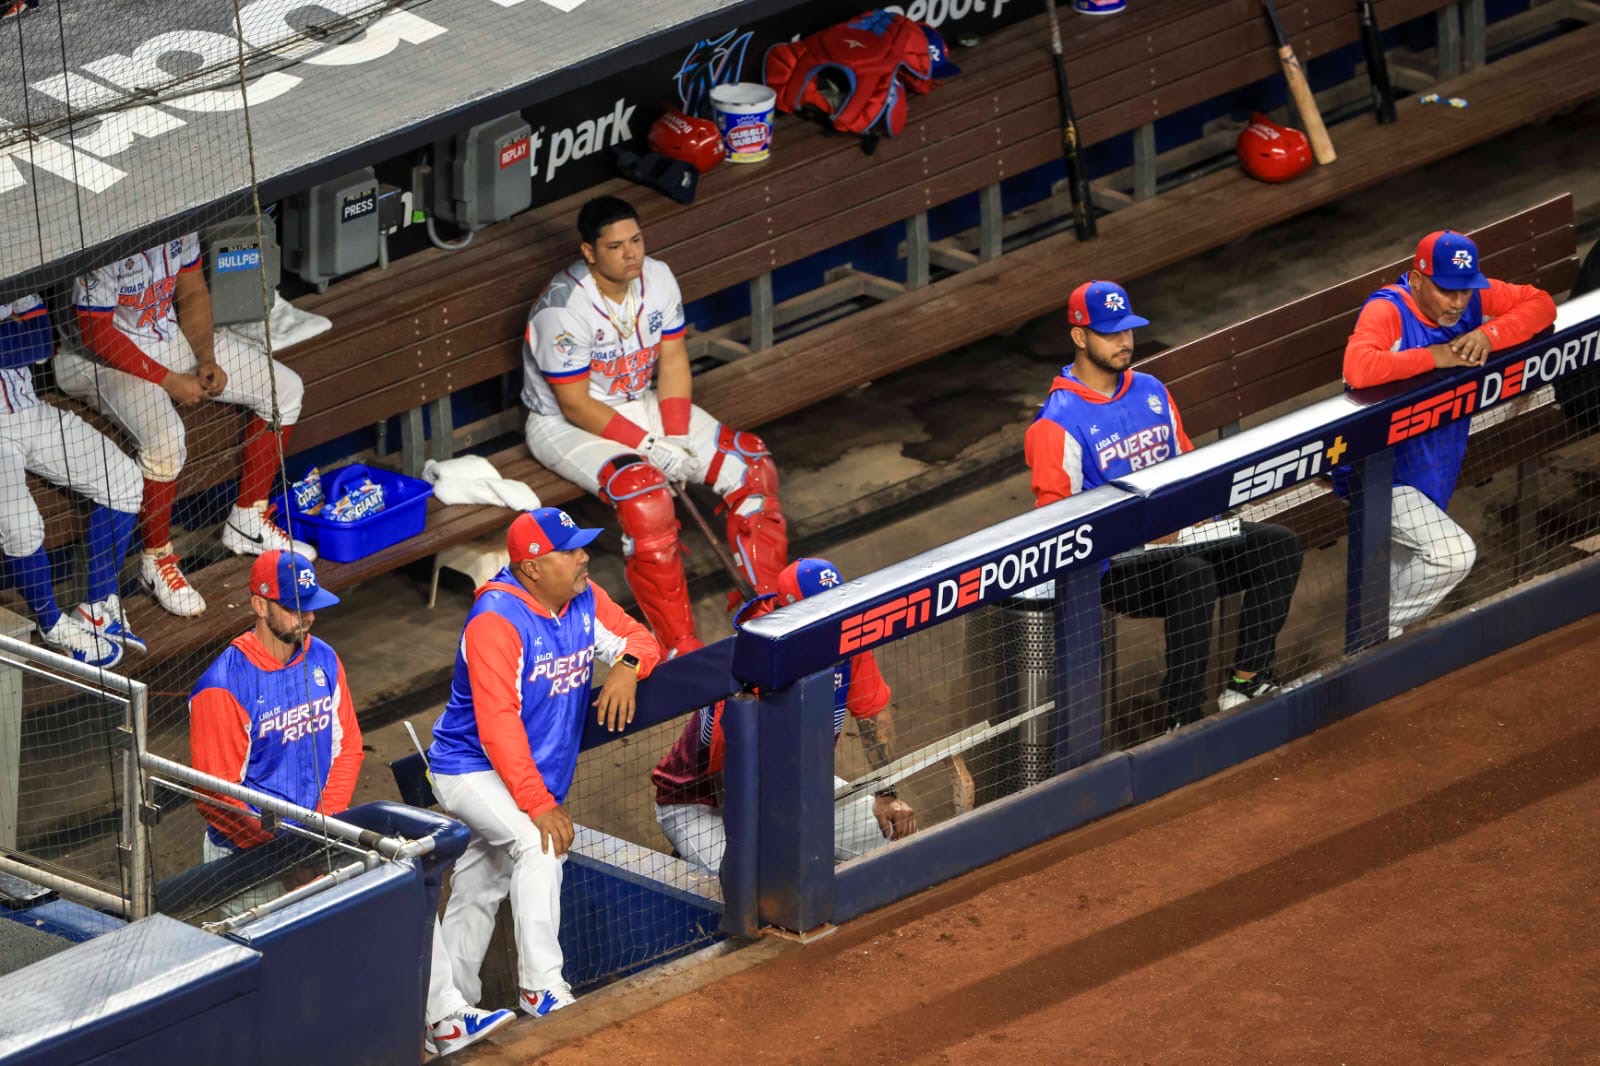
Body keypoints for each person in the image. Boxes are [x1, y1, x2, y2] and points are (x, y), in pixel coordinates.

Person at [1024, 280, 1304, 731]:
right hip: (1119, 568)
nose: (1123, 342)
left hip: (1183, 537)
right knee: (1193, 575)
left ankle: (1246, 680)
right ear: (1079, 336)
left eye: (1127, 330)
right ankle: (1183, 715)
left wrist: (1194, 513)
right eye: (1110, 333)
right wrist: (1139, 528)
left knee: (1279, 547)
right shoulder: (1058, 422)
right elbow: (1060, 525)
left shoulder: (1151, 389)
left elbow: (1188, 464)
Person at [521, 195, 789, 657]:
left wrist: (678, 438)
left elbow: (674, 360)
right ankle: (677, 645)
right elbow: (574, 404)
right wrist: (648, 444)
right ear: (589, 252)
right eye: (616, 246)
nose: (632, 254)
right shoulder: (562, 309)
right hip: (564, 424)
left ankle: (769, 612)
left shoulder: (658, 278)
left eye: (637, 240)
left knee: (751, 466)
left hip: (637, 402)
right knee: (645, 495)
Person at [428, 507, 662, 1018]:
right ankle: (541, 988)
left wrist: (625, 667)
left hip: (522, 771)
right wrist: (537, 804)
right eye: (570, 551)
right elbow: (497, 725)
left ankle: (449, 1015)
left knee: (480, 881)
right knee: (540, 843)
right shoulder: (496, 621)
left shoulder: (583, 600)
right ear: (532, 567)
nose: (584, 558)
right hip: (469, 766)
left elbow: (644, 640)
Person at [59, 232, 312, 619]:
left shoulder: (177, 220)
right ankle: (156, 560)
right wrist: (167, 379)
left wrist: (206, 357)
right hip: (92, 360)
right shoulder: (104, 233)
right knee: (166, 438)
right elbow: (96, 331)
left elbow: (192, 292)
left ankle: (248, 518)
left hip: (162, 336)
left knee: (285, 389)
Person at [1341, 230, 1556, 635]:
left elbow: (1540, 304)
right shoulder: (1388, 309)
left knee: (1407, 569)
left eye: (1464, 291)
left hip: (1433, 458)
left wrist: (1489, 334)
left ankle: (1374, 651)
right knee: (1449, 554)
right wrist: (1432, 357)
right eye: (1445, 291)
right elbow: (1358, 367)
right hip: (1375, 470)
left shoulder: (1472, 297)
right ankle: (1370, 636)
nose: (1458, 303)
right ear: (1418, 279)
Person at [651, 558, 917, 869]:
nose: (832, 621)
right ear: (789, 614)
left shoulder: (845, 637)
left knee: (892, 838)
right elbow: (726, 774)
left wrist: (885, 793)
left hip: (797, 783)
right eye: (821, 613)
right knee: (748, 887)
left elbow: (875, 715)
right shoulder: (748, 663)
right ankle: (695, 854)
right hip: (702, 800)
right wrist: (777, 838)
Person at [187, 550, 361, 896]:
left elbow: (348, 748)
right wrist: (284, 856)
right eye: (293, 608)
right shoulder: (224, 685)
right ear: (260, 605)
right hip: (245, 857)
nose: (307, 617)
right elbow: (216, 795)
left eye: (309, 606)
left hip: (315, 842)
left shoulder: (323, 657)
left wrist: (322, 827)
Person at [2, 294, 143, 667]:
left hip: (29, 411)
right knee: (21, 527)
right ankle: (52, 626)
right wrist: (12, 336)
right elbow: (26, 342)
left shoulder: (11, 263)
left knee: (123, 478)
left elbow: (41, 340)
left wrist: (17, 342)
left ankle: (96, 606)